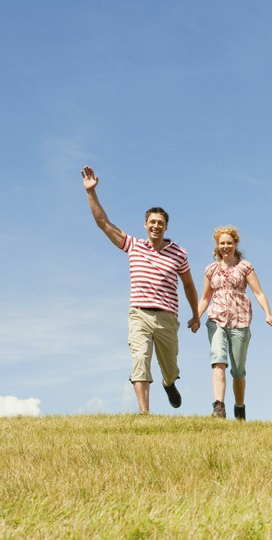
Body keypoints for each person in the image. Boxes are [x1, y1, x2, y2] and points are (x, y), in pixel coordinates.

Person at [81, 166, 199, 414]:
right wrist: (91, 192)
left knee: (169, 366)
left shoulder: (179, 253)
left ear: (166, 228)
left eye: (161, 223)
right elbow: (103, 224)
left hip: (167, 317)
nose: (156, 226)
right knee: (140, 360)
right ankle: (145, 414)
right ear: (145, 224)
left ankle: (169, 383)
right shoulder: (134, 246)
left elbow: (188, 284)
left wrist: (196, 314)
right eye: (152, 222)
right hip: (139, 315)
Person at [196, 226, 272, 420]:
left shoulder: (244, 267)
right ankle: (218, 406)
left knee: (238, 370)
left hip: (240, 320)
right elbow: (206, 298)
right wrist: (195, 316)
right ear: (217, 246)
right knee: (218, 361)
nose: (226, 246)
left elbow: (258, 292)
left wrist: (268, 314)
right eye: (222, 243)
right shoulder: (210, 269)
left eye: (229, 243)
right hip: (216, 319)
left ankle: (239, 407)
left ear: (235, 244)